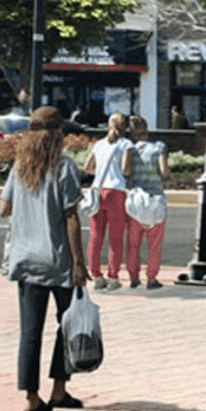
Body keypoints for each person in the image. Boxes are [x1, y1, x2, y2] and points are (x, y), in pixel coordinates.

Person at [0, 107, 89, 411]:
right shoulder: (64, 168)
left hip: (25, 261)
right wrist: (79, 262)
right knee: (67, 325)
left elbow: (3, 208)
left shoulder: (20, 167)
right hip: (58, 261)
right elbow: (71, 217)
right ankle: (59, 390)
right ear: (58, 134)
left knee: (30, 331)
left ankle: (31, 398)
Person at [82, 113, 133, 290]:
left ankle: (96, 275)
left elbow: (87, 167)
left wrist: (100, 173)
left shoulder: (98, 145)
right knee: (115, 238)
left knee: (96, 237)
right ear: (125, 127)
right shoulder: (126, 145)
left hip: (99, 191)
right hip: (116, 192)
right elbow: (125, 171)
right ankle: (112, 277)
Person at [122, 116, 171, 288]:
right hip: (155, 198)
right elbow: (164, 172)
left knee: (133, 243)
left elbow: (126, 172)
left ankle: (133, 278)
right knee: (154, 244)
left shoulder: (130, 149)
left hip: (136, 199)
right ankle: (151, 278)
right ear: (147, 129)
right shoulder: (159, 147)